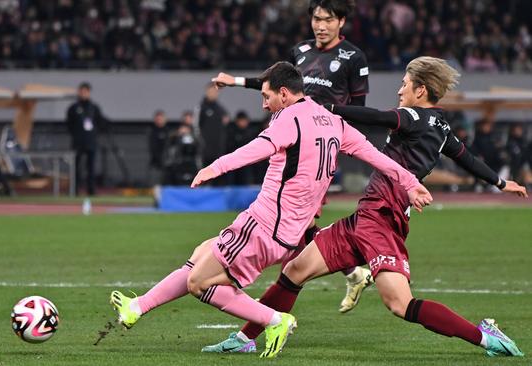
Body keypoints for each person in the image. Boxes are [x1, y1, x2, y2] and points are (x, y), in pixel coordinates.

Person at [109, 61, 432, 358]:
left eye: (266, 97)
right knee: (202, 251)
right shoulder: (333, 121)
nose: (264, 105)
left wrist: (214, 168)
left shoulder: (289, 118)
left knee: (199, 282)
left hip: (263, 225)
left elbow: (258, 148)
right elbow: (376, 156)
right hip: (287, 233)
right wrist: (409, 182)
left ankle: (274, 319)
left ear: (284, 94)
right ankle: (137, 307)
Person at [219, 56, 527, 357]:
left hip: (380, 222)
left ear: (420, 91)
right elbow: (466, 158)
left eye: (404, 84)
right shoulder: (441, 126)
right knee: (295, 270)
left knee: (400, 304)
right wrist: (501, 183)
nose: (399, 90)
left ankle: (484, 335)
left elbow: (378, 117)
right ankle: (245, 337)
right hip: (363, 219)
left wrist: (325, 109)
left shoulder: (413, 116)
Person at [211, 0, 374, 321]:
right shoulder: (300, 51)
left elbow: (359, 110)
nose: (321, 25)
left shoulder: (354, 58)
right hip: (290, 140)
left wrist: (343, 142)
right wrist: (237, 81)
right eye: (316, 19)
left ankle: (281, 299)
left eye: (328, 19)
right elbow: (277, 83)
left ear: (341, 21)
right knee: (302, 223)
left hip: (318, 149)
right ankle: (352, 272)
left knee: (297, 219)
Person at [65, 82, 107, 196]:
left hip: (91, 142)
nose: (83, 94)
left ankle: (91, 190)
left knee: (91, 168)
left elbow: (100, 123)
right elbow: (69, 124)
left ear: (89, 92)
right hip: (78, 142)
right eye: (82, 91)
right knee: (76, 167)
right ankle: (74, 190)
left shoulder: (94, 108)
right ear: (79, 92)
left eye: (86, 91)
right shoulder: (73, 108)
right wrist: (76, 135)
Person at [197, 83, 229, 174]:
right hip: (205, 149)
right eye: (211, 91)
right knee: (205, 174)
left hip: (218, 149)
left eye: (215, 91)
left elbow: (226, 120)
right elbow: (196, 126)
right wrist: (201, 141)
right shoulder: (201, 107)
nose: (213, 94)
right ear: (207, 92)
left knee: (218, 174)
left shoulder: (220, 108)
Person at [225, 111, 256, 185]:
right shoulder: (231, 133)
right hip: (234, 164)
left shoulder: (251, 133)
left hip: (247, 164)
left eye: (245, 120)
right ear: (237, 121)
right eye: (241, 120)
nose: (243, 122)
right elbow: (229, 149)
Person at [148, 110, 170, 186]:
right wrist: (160, 160)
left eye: (161, 118)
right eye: (158, 119)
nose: (159, 121)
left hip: (168, 164)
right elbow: (153, 149)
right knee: (155, 184)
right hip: (157, 164)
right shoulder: (152, 132)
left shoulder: (169, 132)